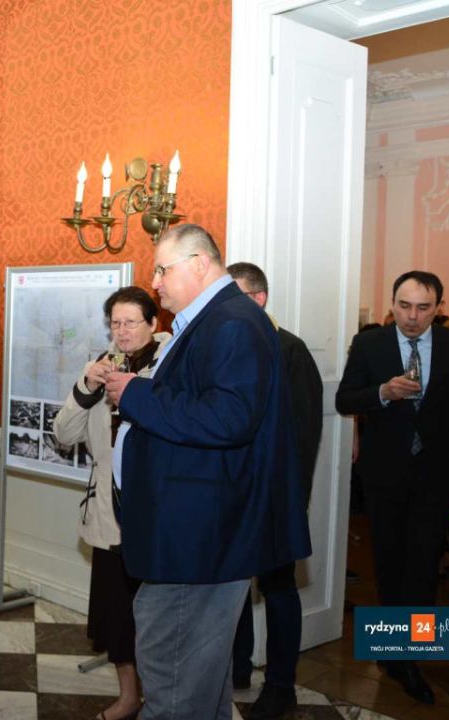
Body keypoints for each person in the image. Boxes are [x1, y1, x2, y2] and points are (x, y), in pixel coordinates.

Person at [104, 224, 311, 720]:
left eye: (162, 269)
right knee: (198, 684)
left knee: (174, 684)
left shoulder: (232, 322)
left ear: (198, 264)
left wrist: (135, 394)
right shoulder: (212, 321)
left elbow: (229, 418)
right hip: (190, 533)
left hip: (198, 539)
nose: (155, 281)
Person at [336, 270, 449, 706]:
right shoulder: (369, 344)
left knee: (423, 568)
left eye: (423, 308)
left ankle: (410, 660)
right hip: (384, 474)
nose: (412, 316)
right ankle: (392, 653)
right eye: (404, 306)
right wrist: (383, 392)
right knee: (387, 565)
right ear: (392, 304)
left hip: (436, 476)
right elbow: (345, 399)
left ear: (438, 308)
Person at [53, 286, 170, 720]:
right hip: (108, 513)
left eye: (130, 322)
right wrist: (87, 386)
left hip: (156, 513)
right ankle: (128, 696)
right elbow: (64, 435)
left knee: (157, 617)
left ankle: (162, 698)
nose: (121, 331)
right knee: (117, 616)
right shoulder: (102, 367)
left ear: (153, 324)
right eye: (115, 323)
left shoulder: (171, 363)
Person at [227, 262, 323, 719]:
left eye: (233, 297)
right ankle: (237, 667)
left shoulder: (291, 350)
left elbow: (303, 438)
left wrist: (290, 503)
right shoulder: (229, 346)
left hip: (275, 497)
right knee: (233, 585)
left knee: (278, 588)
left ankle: (282, 685)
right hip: (232, 494)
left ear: (259, 299)